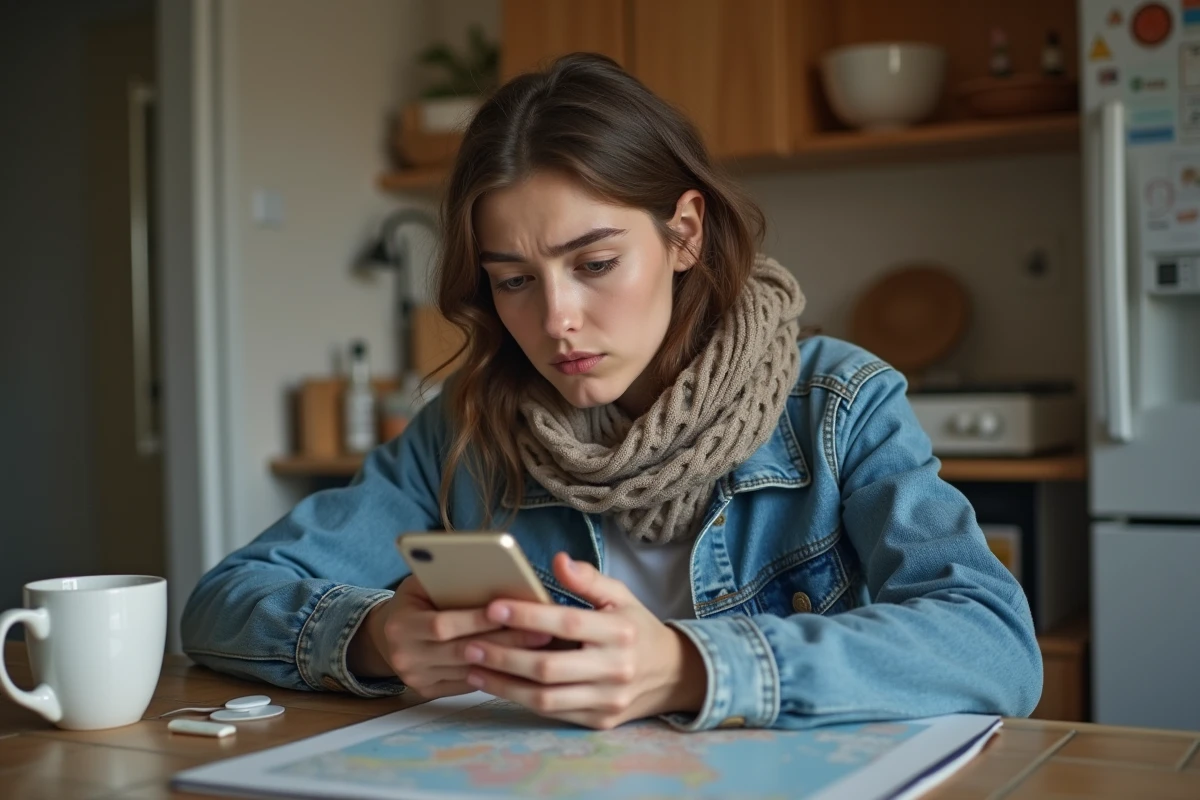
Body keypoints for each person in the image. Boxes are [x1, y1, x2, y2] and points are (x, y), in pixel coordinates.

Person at [182, 53, 1041, 732]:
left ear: (684, 233)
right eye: (514, 280)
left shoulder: (837, 403)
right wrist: (374, 639)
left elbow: (993, 644)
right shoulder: (467, 432)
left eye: (594, 265)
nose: (558, 320)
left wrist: (690, 665)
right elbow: (223, 602)